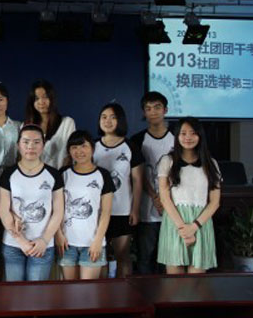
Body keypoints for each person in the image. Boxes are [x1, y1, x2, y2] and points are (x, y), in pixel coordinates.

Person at [0, 124, 64, 281]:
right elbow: (3, 209)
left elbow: (58, 211)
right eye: (26, 142)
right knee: (14, 292)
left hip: (43, 245)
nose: (31, 147)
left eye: (36, 142)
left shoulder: (53, 174)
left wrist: (44, 240)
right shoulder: (8, 174)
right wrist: (20, 240)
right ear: (18, 145)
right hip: (14, 244)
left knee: (36, 293)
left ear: (43, 145)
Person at [157, 117, 220, 274]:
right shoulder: (167, 161)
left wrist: (194, 227)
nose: (188, 137)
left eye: (193, 133)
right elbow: (164, 198)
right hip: (175, 223)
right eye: (183, 133)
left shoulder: (211, 163)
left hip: (201, 223)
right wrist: (183, 229)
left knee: (197, 282)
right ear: (177, 136)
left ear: (200, 135)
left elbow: (215, 202)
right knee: (174, 283)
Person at [92, 103, 144, 278]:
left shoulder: (130, 147)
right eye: (104, 117)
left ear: (120, 120)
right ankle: (102, 292)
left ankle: (124, 291)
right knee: (100, 256)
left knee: (123, 255)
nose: (107, 121)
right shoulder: (92, 146)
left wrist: (135, 210)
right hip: (97, 212)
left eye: (113, 117)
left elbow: (137, 181)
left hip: (122, 210)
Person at [56, 131, 114, 280]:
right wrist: (59, 235)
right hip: (67, 243)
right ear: (69, 151)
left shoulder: (103, 175)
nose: (79, 151)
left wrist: (98, 241)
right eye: (74, 147)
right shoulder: (63, 173)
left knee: (88, 290)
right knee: (69, 290)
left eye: (83, 146)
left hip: (92, 243)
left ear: (92, 149)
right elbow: (56, 208)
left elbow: (106, 212)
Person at [131, 92, 174, 274]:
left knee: (169, 258)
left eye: (157, 107)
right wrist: (156, 197)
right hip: (146, 209)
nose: (153, 112)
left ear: (166, 110)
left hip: (173, 209)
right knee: (145, 258)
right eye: (148, 109)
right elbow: (138, 174)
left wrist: (165, 198)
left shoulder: (178, 137)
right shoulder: (137, 140)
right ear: (144, 113)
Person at [24, 80, 75, 169]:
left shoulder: (67, 123)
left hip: (60, 174)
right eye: (36, 98)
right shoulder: (26, 126)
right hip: (34, 174)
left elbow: (70, 154)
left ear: (52, 99)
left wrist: (61, 174)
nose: (41, 102)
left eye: (45, 97)